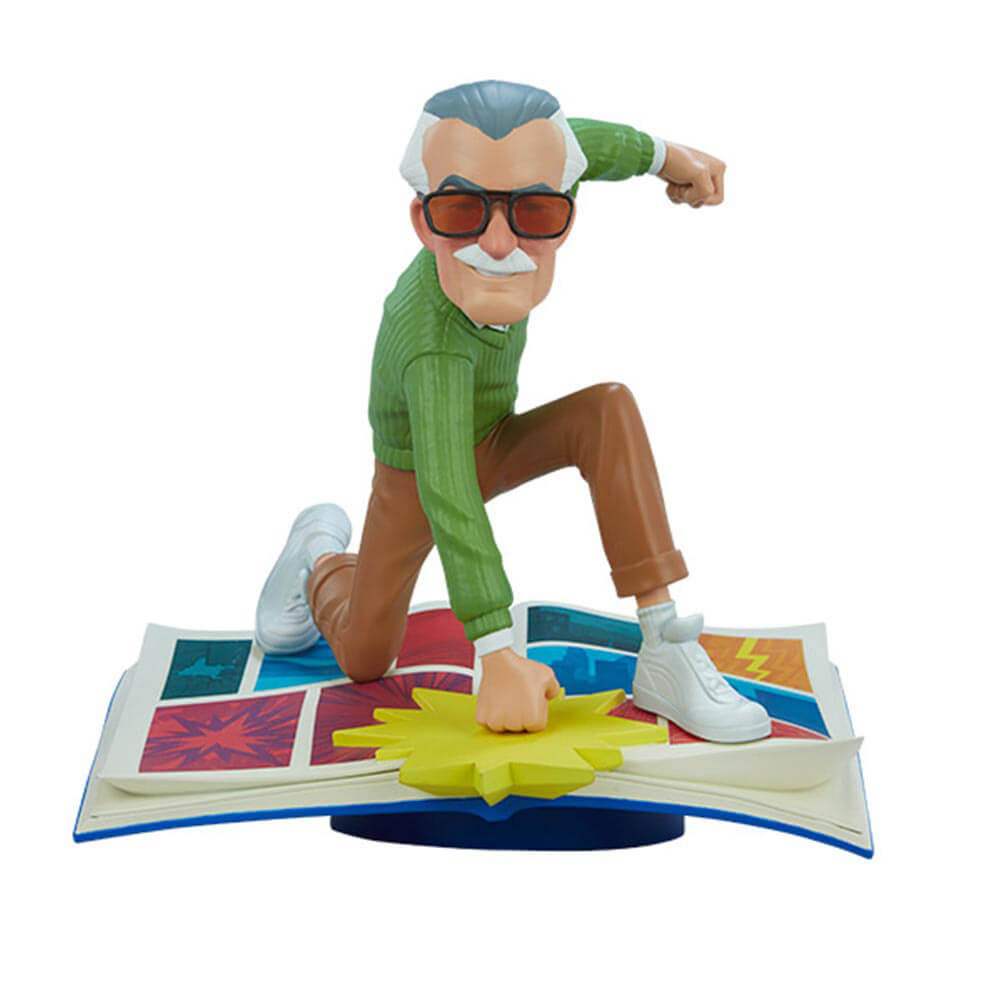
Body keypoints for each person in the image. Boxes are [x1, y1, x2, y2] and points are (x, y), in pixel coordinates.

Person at [255, 80, 770, 742]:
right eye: (461, 210)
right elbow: (449, 494)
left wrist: (671, 159)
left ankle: (664, 639)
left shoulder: (539, 177)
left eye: (535, 210)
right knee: (365, 658)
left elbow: (584, 144)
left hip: (496, 437)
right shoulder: (430, 347)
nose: (499, 244)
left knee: (606, 410)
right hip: (417, 476)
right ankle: (322, 558)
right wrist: (497, 654)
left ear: (566, 211)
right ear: (422, 221)